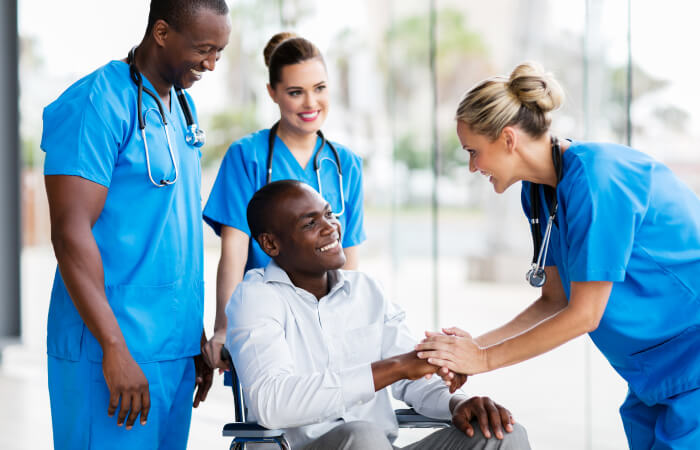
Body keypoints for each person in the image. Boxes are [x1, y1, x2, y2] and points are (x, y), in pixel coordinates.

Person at [415, 62, 700, 449]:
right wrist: (472, 350)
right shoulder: (537, 191)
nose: (472, 167)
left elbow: (584, 314)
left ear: (508, 139)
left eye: (473, 152)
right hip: (653, 374)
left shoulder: (599, 178)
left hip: (690, 361)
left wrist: (481, 361)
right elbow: (555, 299)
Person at [40, 1, 231, 448]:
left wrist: (192, 339)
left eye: (219, 52)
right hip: (110, 350)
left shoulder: (182, 106)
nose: (211, 64)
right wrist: (114, 347)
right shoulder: (96, 103)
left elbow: (169, 230)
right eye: (203, 49)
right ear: (161, 32)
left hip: (172, 352)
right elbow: (70, 233)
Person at [225, 180, 531, 449]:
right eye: (309, 224)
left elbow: (413, 380)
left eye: (329, 214)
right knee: (361, 436)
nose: (331, 227)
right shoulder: (255, 298)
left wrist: (457, 402)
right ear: (271, 243)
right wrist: (395, 367)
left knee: (503, 433)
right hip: (304, 447)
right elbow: (272, 404)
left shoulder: (367, 291)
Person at [202, 32, 366, 373]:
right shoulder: (247, 156)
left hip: (328, 326)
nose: (311, 103)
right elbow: (234, 251)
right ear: (272, 93)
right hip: (266, 322)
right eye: (296, 92)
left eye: (319, 88)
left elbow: (349, 258)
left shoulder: (345, 163)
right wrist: (224, 327)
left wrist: (355, 327)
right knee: (273, 416)